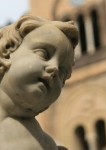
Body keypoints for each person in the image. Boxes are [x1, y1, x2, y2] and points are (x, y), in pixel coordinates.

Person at [0, 15, 78, 150]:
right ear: (7, 49)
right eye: (43, 54)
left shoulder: (46, 145)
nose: (54, 68)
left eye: (62, 73)